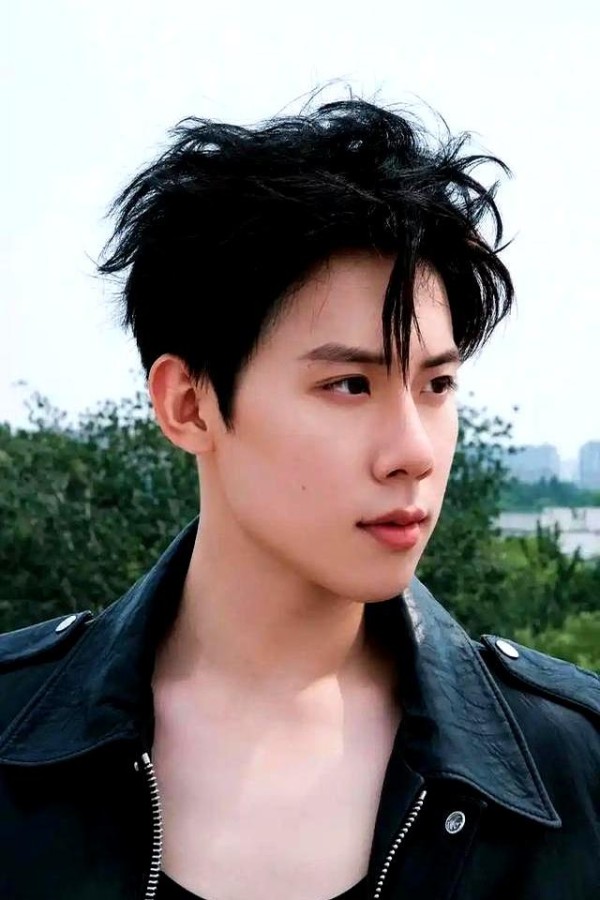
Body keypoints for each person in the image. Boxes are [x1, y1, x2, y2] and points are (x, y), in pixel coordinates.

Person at [0, 98, 598, 900]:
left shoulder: (572, 762)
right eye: (349, 384)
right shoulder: (13, 727)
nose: (414, 452)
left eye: (437, 385)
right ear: (189, 405)